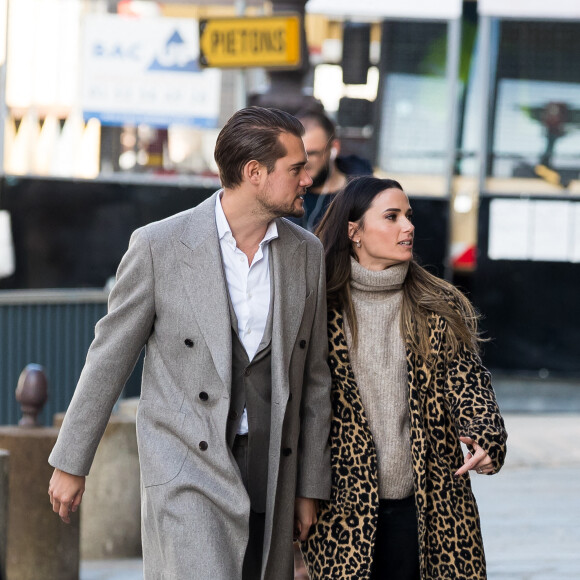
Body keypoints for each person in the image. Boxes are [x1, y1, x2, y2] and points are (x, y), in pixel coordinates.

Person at [48, 107, 332, 580]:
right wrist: (71, 462)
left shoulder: (306, 253)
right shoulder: (159, 245)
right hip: (187, 467)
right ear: (254, 173)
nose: (308, 178)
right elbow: (109, 356)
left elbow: (315, 379)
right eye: (296, 168)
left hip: (271, 465)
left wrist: (309, 485)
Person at [300, 176, 507, 579]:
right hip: (341, 513)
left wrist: (485, 433)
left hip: (431, 508)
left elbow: (469, 381)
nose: (408, 227)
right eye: (392, 217)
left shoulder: (437, 303)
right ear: (353, 231)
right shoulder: (317, 305)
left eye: (408, 217)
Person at [292, 108, 372, 232]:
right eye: (297, 155)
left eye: (312, 154)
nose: (304, 162)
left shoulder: (363, 195)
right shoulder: (284, 195)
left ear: (334, 149)